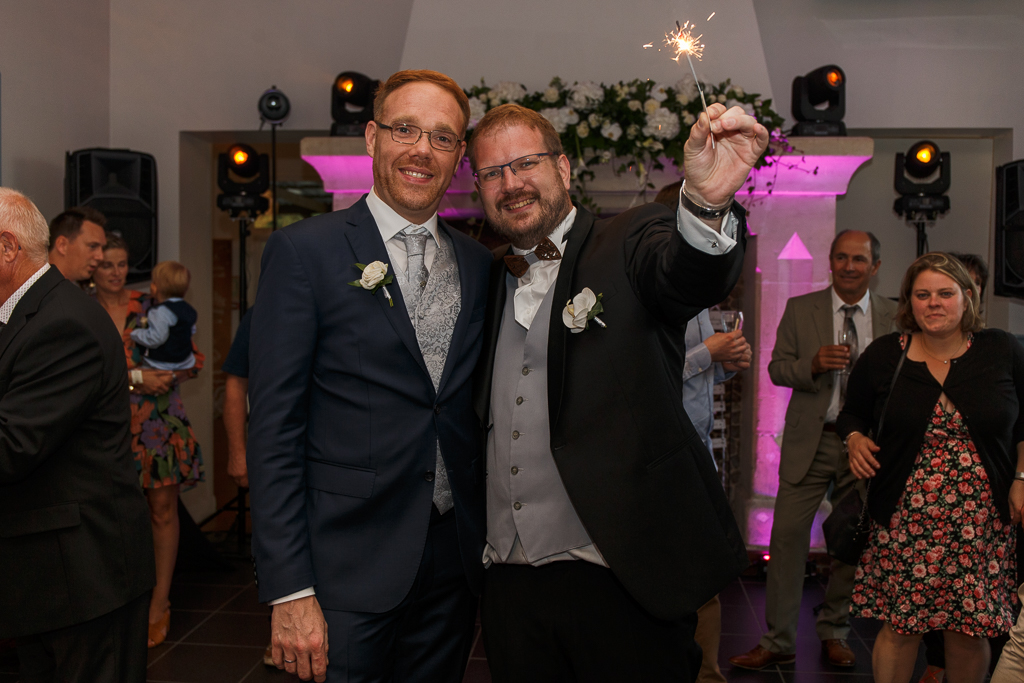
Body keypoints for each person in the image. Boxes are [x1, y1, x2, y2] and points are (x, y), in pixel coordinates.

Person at [468, 99, 767, 681]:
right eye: (492, 172)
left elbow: (685, 275)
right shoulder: (485, 278)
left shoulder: (631, 238)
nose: (511, 183)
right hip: (508, 578)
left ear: (563, 169)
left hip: (622, 572)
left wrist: (705, 204)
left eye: (525, 163)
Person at [247, 69, 492, 683]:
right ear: (372, 138)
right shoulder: (304, 253)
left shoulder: (481, 265)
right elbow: (273, 429)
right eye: (405, 129)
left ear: (459, 157)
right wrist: (288, 587)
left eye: (442, 138)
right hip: (340, 571)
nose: (421, 150)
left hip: (450, 570)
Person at [838, 252, 1024, 683]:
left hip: (981, 521)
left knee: (967, 630)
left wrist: (1020, 479)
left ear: (968, 298)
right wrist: (855, 438)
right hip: (905, 518)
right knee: (901, 626)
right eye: (923, 294)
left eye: (945, 293)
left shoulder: (1001, 350)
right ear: (909, 302)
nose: (934, 303)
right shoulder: (886, 355)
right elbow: (852, 414)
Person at [0, 188, 155, 682]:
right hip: (47, 575)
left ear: (8, 247)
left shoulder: (61, 323)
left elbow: (12, 445)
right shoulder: (32, 314)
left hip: (82, 576)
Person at [730, 230, 898, 670]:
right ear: (830, 261)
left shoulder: (894, 315)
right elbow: (776, 368)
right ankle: (778, 639)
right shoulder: (800, 309)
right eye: (841, 257)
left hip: (863, 446)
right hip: (812, 440)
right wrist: (813, 364)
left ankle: (835, 632)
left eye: (858, 259)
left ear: (874, 267)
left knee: (849, 542)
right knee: (785, 539)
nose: (848, 266)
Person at [655, 180, 751, 683]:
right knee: (665, 587)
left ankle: (708, 675)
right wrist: (708, 355)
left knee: (706, 583)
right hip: (656, 459)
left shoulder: (696, 291)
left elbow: (693, 375)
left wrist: (726, 362)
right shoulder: (645, 286)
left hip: (697, 456)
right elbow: (643, 374)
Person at [91, 234, 205, 648]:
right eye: (107, 264)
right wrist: (137, 379)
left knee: (161, 510)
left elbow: (193, 359)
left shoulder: (152, 304)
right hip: (102, 428)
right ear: (94, 267)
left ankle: (159, 601)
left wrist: (169, 376)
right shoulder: (82, 310)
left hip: (159, 423)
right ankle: (114, 603)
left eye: (122, 264)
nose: (116, 272)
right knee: (109, 516)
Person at [130, 260, 198, 370]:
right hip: (185, 361)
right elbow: (191, 331)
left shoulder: (159, 311)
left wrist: (135, 334)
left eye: (153, 282)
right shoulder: (189, 309)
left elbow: (156, 338)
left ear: (155, 288)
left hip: (160, 362)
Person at [47, 206, 108, 282]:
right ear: (62, 245)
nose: (100, 257)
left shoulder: (66, 289)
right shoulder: (34, 287)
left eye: (103, 248)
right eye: (92, 246)